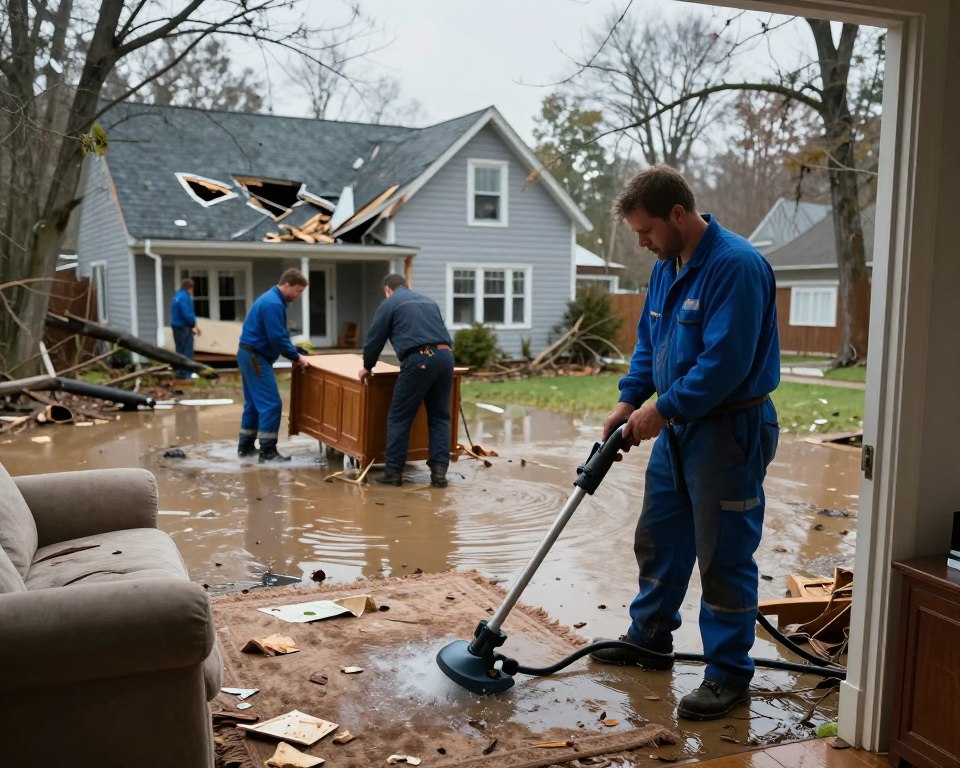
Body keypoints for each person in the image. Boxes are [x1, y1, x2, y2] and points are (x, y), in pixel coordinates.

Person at [590, 165, 781, 721]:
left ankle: (727, 674)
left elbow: (725, 365)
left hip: (728, 429)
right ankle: (648, 637)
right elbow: (650, 345)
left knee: (723, 553)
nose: (641, 242)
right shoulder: (666, 267)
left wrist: (661, 410)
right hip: (677, 427)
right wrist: (630, 401)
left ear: (678, 213)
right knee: (660, 536)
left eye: (646, 230)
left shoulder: (735, 267)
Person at [359, 274, 454, 488]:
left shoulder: (390, 303)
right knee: (440, 417)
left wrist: (368, 366)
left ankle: (393, 472)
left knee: (399, 416)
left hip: (420, 358)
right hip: (445, 357)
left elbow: (376, 338)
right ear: (406, 286)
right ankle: (439, 474)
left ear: (387, 289)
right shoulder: (429, 301)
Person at [237, 268, 310, 463]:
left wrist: (294, 349)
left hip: (248, 354)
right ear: (287, 284)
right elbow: (276, 337)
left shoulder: (271, 299)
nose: (298, 296)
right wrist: (296, 357)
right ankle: (268, 453)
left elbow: (276, 335)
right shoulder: (273, 304)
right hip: (255, 356)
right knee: (271, 404)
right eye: (298, 291)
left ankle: (245, 448)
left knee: (253, 404)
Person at [170, 278, 199, 379]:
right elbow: (186, 313)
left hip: (176, 326)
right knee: (187, 351)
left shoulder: (177, 296)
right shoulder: (184, 297)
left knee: (179, 350)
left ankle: (179, 372)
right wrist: (193, 323)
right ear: (189, 287)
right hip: (184, 327)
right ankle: (187, 374)